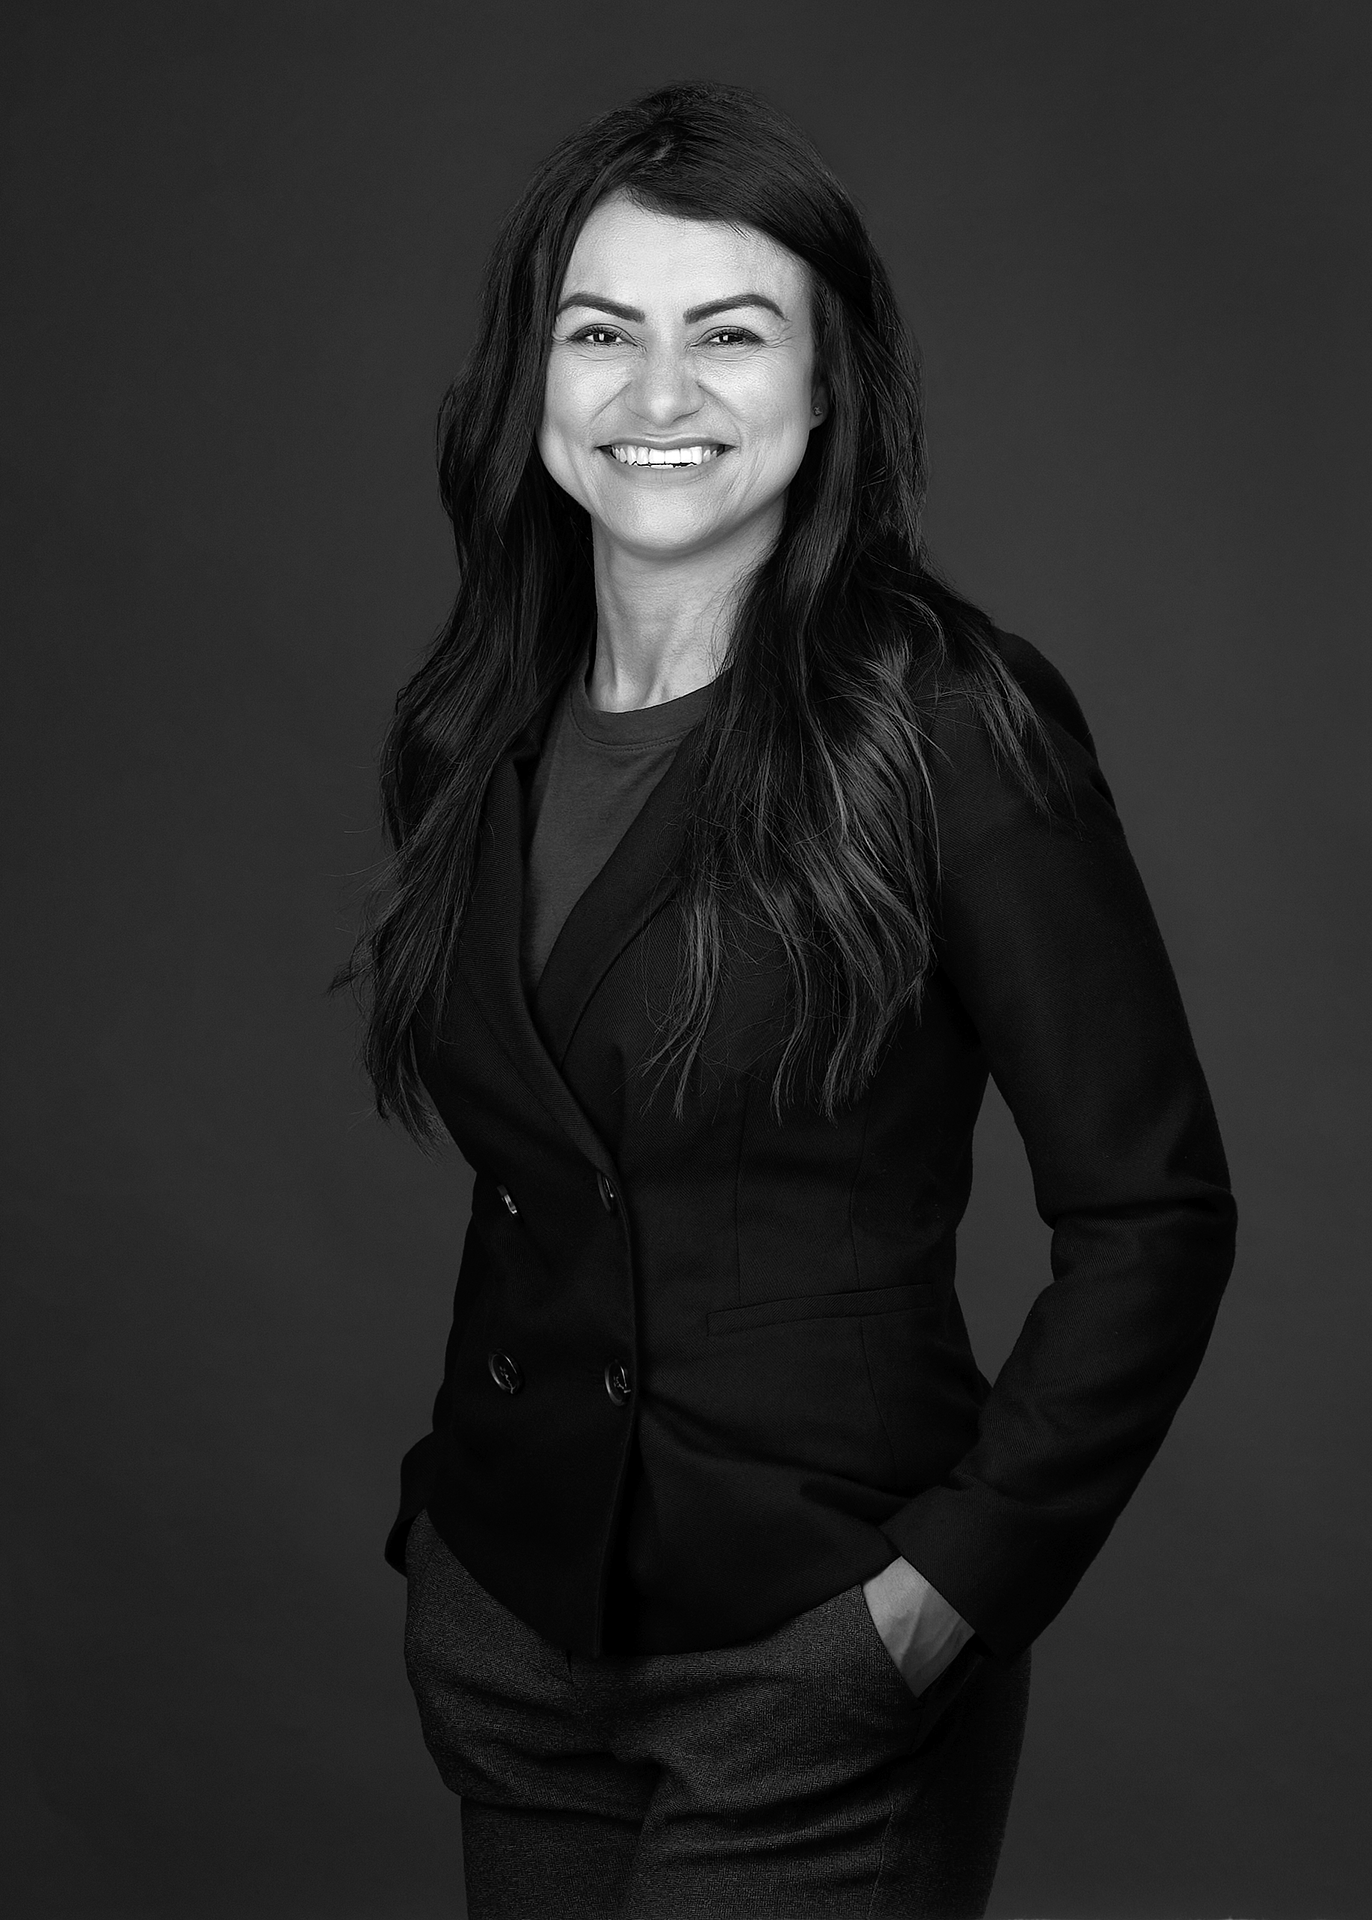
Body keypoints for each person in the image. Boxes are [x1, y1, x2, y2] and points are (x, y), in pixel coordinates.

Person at [341, 83, 1237, 1919]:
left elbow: (1154, 1217)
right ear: (537, 382)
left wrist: (938, 1606)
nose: (656, 397)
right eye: (603, 335)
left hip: (812, 1662)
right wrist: (451, 1538)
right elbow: (558, 1173)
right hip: (511, 1641)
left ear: (828, 389)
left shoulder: (949, 721)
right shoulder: (468, 727)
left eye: (729, 335)